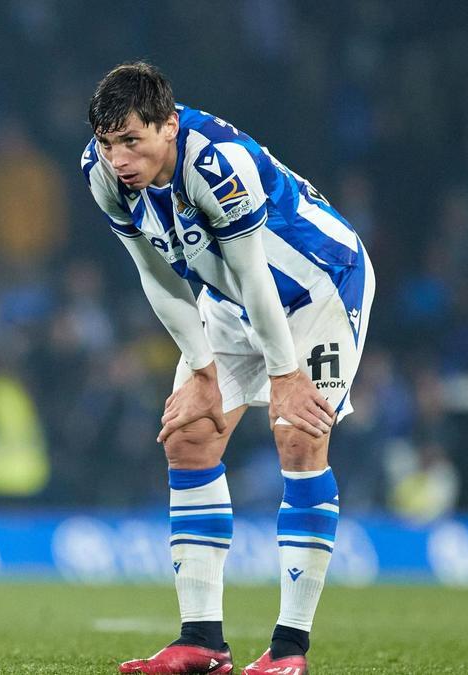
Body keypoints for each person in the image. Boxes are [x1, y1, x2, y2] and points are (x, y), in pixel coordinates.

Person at [81, 62, 374, 675]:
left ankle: (290, 650)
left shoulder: (215, 161)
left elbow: (255, 274)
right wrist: (201, 367)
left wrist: (286, 373)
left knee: (298, 437)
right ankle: (201, 642)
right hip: (233, 297)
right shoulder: (102, 175)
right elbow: (155, 274)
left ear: (167, 124)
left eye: (132, 141)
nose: (119, 159)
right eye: (109, 144)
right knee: (189, 437)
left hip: (317, 286)